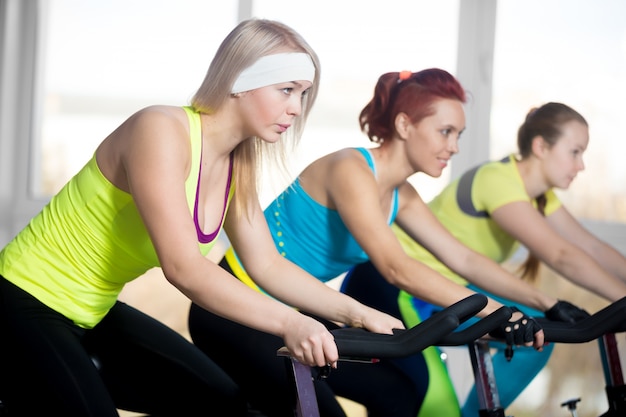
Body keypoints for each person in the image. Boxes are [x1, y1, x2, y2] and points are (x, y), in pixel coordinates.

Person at [0, 18, 406, 417]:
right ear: (239, 81)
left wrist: (359, 314)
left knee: (220, 400)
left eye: (303, 94)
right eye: (286, 90)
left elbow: (266, 264)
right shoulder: (160, 129)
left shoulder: (237, 165)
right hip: (22, 297)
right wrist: (290, 323)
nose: (296, 108)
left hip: (93, 310)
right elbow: (184, 268)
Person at [187, 68, 547, 417]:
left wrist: (542, 304)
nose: (453, 146)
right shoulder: (351, 169)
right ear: (404, 125)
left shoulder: (401, 196)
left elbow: (464, 259)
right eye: (445, 131)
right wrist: (498, 312)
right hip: (235, 306)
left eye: (459, 134)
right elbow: (397, 267)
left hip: (296, 308)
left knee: (399, 397)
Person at [342, 101, 626, 416]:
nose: (581, 165)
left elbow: (593, 248)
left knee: (534, 329)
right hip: (395, 288)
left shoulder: (538, 196)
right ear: (541, 147)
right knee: (435, 406)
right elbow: (562, 255)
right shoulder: (497, 179)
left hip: (444, 291)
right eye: (575, 152)